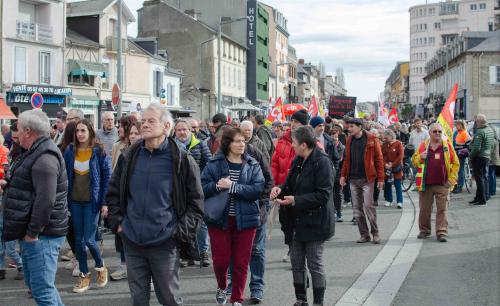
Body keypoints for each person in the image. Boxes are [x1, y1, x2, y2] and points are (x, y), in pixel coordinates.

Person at [106, 104, 204, 306]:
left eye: (151, 121)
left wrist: (178, 233)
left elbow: (196, 204)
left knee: (169, 299)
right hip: (132, 241)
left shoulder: (181, 159)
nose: (145, 125)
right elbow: (114, 192)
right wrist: (118, 223)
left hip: (165, 242)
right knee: (138, 299)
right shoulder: (130, 156)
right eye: (143, 121)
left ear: (166, 126)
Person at [1, 109, 68, 305]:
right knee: (41, 288)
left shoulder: (44, 156)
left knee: (42, 291)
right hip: (37, 235)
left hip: (42, 236)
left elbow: (46, 200)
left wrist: (32, 233)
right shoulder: (35, 152)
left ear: (28, 131)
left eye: (19, 129)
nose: (16, 133)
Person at [271, 126, 335, 306]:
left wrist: (296, 200)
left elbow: (323, 195)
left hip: (315, 221)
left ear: (304, 145)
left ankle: (318, 302)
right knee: (297, 262)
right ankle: (301, 300)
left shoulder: (322, 162)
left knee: (315, 264)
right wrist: (279, 191)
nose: (292, 145)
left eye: (294, 142)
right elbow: (289, 185)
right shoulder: (298, 160)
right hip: (296, 220)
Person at [201, 127, 265, 306]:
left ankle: (236, 298)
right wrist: (217, 186)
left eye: (243, 141)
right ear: (228, 144)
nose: (242, 144)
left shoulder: (252, 164)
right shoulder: (214, 164)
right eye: (237, 141)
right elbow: (202, 187)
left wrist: (233, 186)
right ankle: (222, 287)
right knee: (221, 261)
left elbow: (257, 190)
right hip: (219, 220)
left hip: (246, 220)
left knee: (241, 262)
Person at [63, 119, 112, 293]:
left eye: (83, 130)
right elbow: (64, 176)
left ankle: (100, 267)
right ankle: (84, 275)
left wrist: (105, 202)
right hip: (75, 201)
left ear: (90, 132)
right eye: (77, 131)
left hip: (93, 203)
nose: (80, 134)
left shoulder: (99, 152)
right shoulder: (70, 151)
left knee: (89, 240)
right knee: (78, 241)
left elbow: (107, 179)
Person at [174, 119, 212, 267]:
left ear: (190, 130)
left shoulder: (201, 145)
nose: (182, 132)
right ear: (175, 132)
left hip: (197, 190)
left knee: (201, 222)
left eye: (185, 129)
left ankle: (203, 252)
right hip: (178, 192)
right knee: (181, 221)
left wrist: (200, 181)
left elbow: (209, 165)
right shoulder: (171, 146)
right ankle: (183, 254)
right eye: (179, 130)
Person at [272, 110, 309, 262]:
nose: (293, 124)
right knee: (285, 221)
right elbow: (274, 163)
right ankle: (290, 247)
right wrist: (275, 185)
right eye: (292, 121)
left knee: (299, 221)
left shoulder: (309, 141)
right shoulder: (283, 140)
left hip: (300, 190)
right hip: (283, 186)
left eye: (297, 122)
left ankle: (299, 251)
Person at [412, 123, 459, 242]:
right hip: (425, 184)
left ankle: (441, 232)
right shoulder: (423, 146)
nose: (437, 133)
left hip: (443, 184)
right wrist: (420, 157)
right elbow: (414, 161)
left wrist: (451, 180)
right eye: (435, 131)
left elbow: (456, 164)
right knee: (424, 209)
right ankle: (424, 230)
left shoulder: (447, 146)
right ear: (429, 133)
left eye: (439, 131)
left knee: (442, 209)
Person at [340, 118, 384, 244]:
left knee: (368, 206)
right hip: (353, 179)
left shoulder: (372, 139)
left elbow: (379, 159)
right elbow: (346, 159)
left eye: (352, 126)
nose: (349, 129)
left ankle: (375, 233)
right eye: (349, 127)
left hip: (367, 179)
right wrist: (343, 175)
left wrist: (381, 178)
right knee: (357, 209)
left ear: (360, 127)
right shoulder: (349, 140)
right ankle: (364, 235)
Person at [57, 122, 82, 276]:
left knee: (75, 230)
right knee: (72, 229)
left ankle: (79, 259)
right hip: (70, 195)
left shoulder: (69, 149)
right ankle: (77, 258)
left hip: (75, 196)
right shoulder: (66, 149)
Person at [310, 116, 344, 221]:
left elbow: (336, 158)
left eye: (323, 125)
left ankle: (334, 215)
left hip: (329, 175)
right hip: (313, 175)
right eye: (319, 126)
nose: (322, 128)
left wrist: (333, 171)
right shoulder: (308, 139)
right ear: (312, 127)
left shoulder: (329, 140)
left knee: (331, 197)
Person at [469, 114, 495, 206]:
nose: (475, 123)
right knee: (483, 177)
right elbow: (492, 144)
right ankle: (479, 198)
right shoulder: (490, 130)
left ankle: (482, 200)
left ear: (479, 122)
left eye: (476, 121)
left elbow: (476, 148)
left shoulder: (480, 132)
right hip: (486, 156)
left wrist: (470, 156)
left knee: (479, 179)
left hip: (479, 157)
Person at [381, 129, 404, 209]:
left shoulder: (398, 144)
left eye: (386, 138)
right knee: (387, 184)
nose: (384, 140)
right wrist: (385, 164)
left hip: (396, 168)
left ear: (391, 136)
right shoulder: (384, 144)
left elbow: (400, 156)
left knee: (398, 185)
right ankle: (388, 200)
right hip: (387, 168)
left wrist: (392, 164)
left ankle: (399, 202)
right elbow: (382, 156)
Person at [329, 128, 345, 222]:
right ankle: (333, 211)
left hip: (338, 173)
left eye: (336, 136)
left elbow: (338, 159)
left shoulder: (342, 148)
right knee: (330, 194)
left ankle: (339, 212)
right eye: (332, 136)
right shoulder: (328, 146)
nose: (334, 138)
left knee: (338, 194)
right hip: (329, 173)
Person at [452, 120, 472, 193]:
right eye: (456, 125)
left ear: (462, 125)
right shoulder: (458, 133)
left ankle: (460, 186)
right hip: (457, 154)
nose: (456, 126)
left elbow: (469, 145)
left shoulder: (464, 133)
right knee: (456, 170)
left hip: (461, 155)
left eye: (458, 125)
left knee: (460, 171)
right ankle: (456, 185)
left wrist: (461, 152)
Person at [488, 127, 499, 197]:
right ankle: (493, 191)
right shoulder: (496, 140)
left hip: (491, 160)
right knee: (493, 175)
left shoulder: (492, 141)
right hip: (495, 160)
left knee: (490, 176)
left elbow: (490, 151)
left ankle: (491, 191)